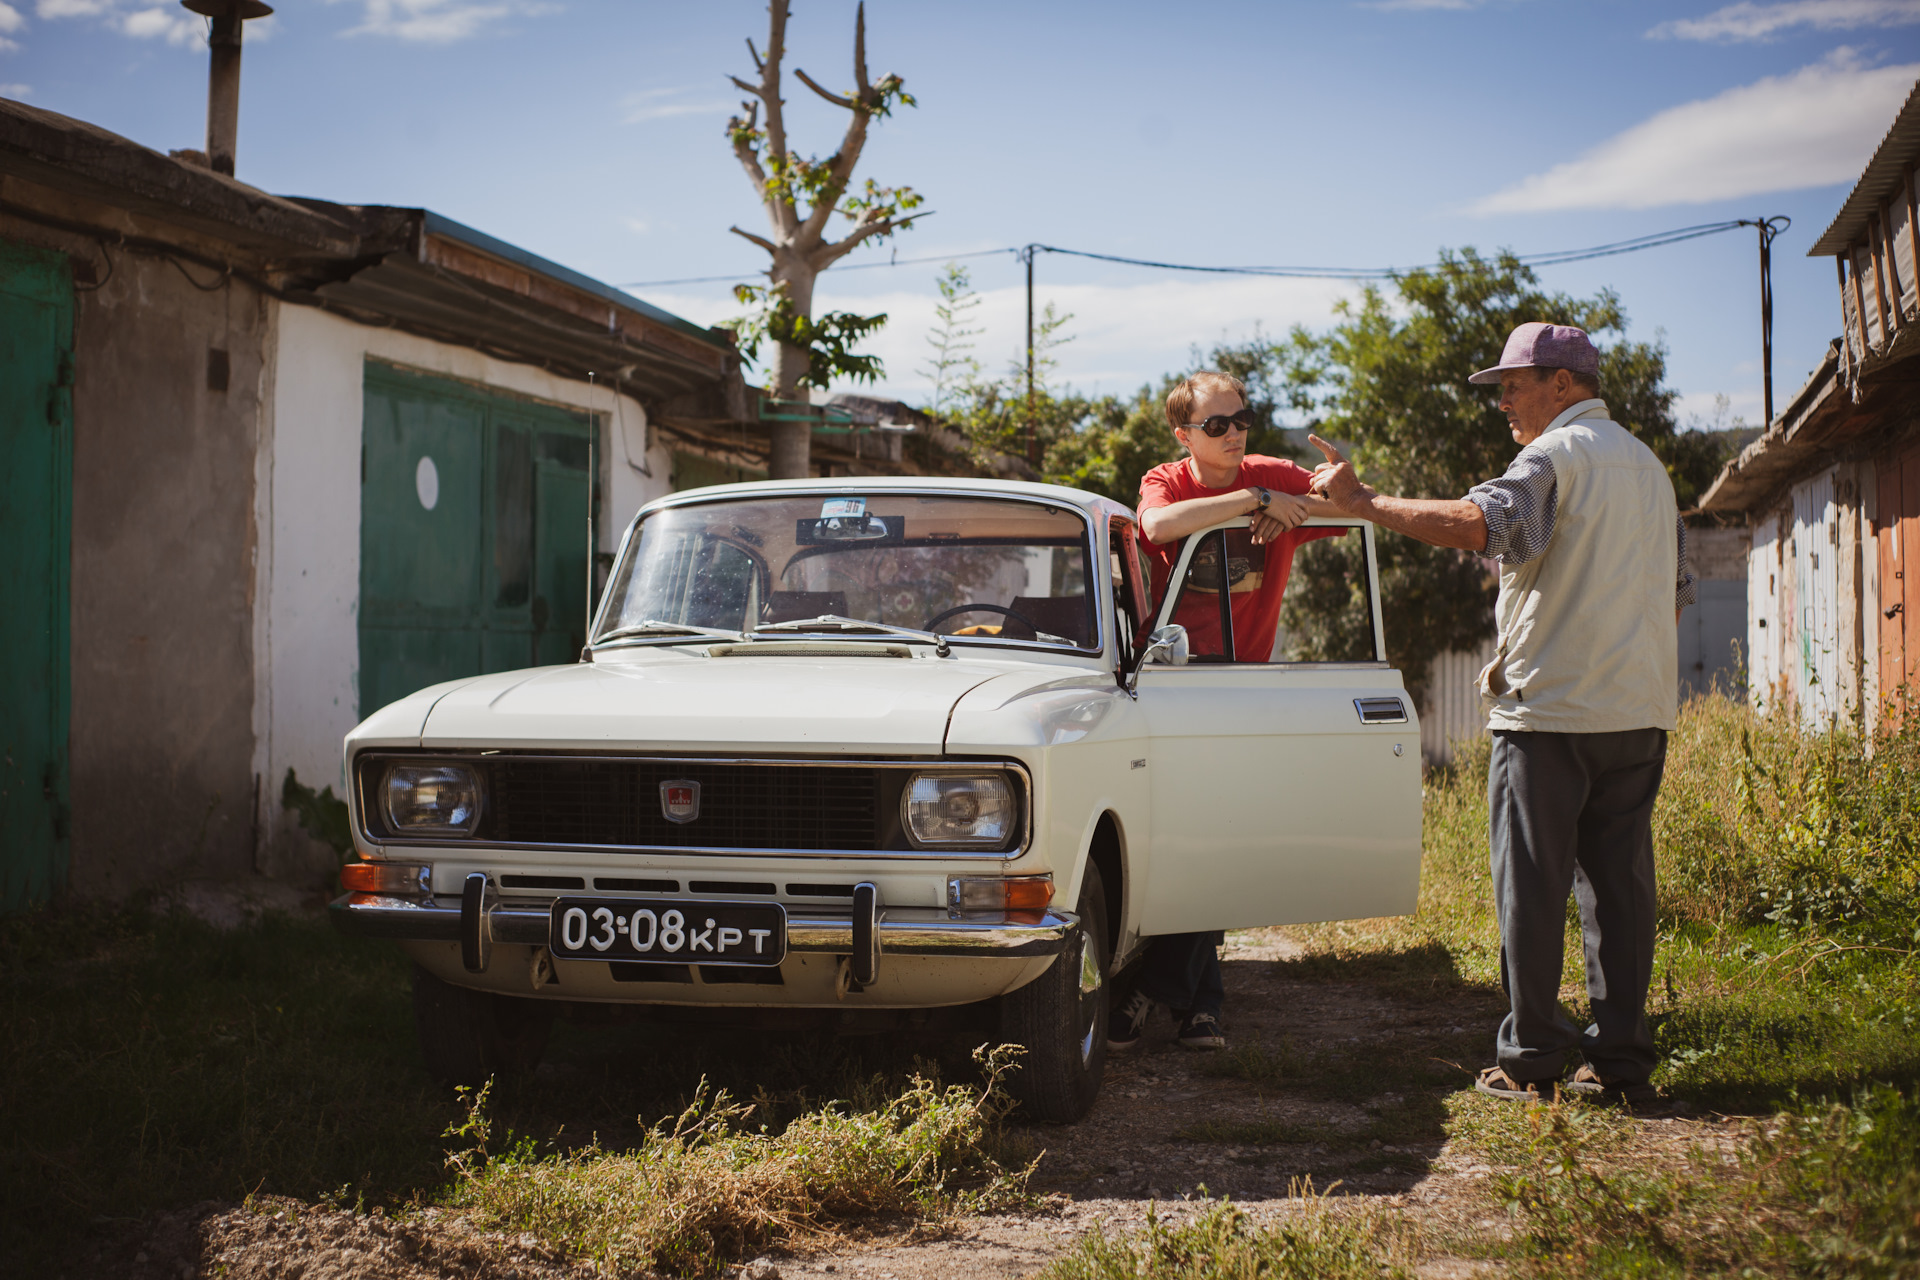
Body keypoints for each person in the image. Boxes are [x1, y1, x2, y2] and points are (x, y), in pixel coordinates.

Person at [1306, 322, 1694, 1106]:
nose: (1503, 402)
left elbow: (1482, 526)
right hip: (1638, 713)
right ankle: (1618, 1063)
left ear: (1563, 385)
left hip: (1550, 714)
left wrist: (1365, 501)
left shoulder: (1553, 457)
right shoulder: (1649, 468)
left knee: (1532, 889)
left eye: (1514, 384)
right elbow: (1677, 587)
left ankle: (1531, 1060)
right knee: (1620, 891)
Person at [1107, 370, 1335, 1054]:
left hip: (1242, 685)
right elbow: (1154, 524)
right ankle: (1199, 1001)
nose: (1234, 433)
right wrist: (1253, 501)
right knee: (1180, 838)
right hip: (1172, 681)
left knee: (1216, 836)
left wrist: (1298, 504)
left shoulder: (1268, 470)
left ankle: (1163, 992)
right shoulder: (1171, 478)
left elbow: (1345, 497)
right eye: (1216, 425)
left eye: (1241, 419)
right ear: (1184, 435)